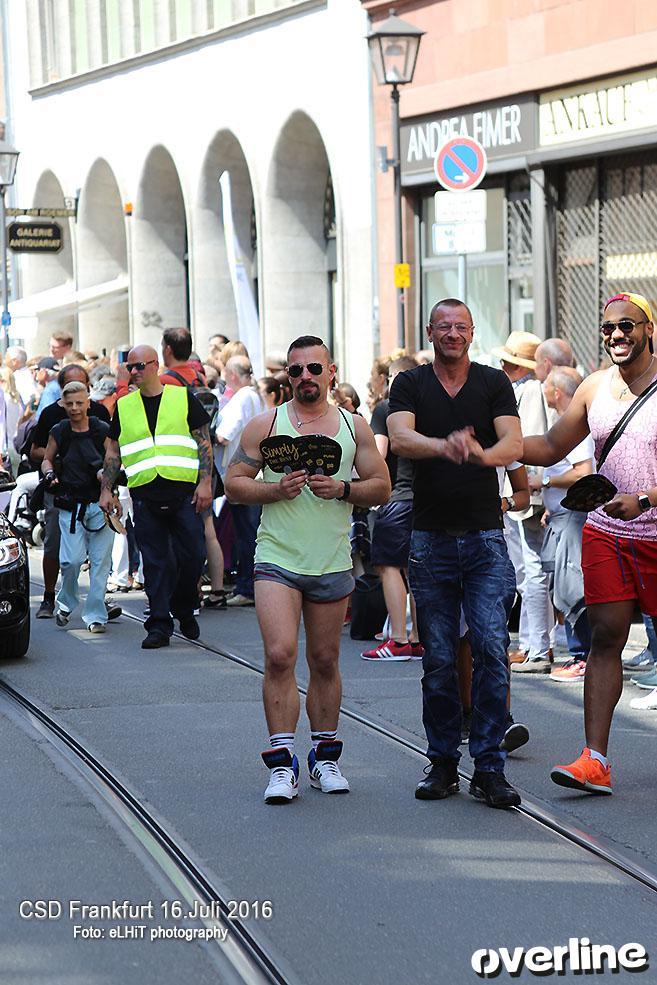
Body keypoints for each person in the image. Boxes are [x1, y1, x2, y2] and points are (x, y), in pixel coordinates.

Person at [225, 335, 390, 804]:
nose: (305, 377)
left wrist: (343, 489)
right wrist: (275, 491)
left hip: (331, 560)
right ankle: (282, 763)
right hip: (277, 557)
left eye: (314, 368)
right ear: (288, 376)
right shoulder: (266, 424)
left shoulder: (353, 426)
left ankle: (324, 756)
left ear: (330, 372)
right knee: (279, 655)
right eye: (295, 370)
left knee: (324, 660)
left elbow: (381, 486)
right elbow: (234, 483)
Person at [387, 298, 523, 810]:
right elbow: (399, 437)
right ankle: (443, 761)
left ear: (471, 333)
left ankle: (489, 766)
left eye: (460, 327)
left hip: (485, 538)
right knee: (440, 658)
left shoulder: (492, 382)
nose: (452, 334)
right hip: (431, 540)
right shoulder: (410, 383)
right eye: (443, 326)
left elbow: (513, 444)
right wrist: (445, 446)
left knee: (491, 649)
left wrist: (482, 455)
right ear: (430, 332)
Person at [522, 292, 657, 794]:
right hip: (607, 531)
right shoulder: (594, 387)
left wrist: (645, 499)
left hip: (654, 528)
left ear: (649, 329)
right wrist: (493, 446)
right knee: (605, 637)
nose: (617, 334)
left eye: (627, 325)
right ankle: (594, 760)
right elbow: (550, 446)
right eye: (608, 328)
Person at [99, 345, 213, 649]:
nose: (134, 372)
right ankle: (159, 625)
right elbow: (113, 451)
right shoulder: (125, 406)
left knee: (194, 555)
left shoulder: (182, 397)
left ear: (155, 365)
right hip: (145, 493)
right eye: (130, 367)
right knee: (154, 562)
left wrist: (205, 483)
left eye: (140, 366)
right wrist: (106, 489)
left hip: (184, 493)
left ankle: (183, 607)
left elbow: (203, 442)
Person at [493, 331, 554, 673]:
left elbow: (527, 440)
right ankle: (532, 643)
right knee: (527, 570)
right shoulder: (522, 389)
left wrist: (528, 487)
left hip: (526, 492)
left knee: (531, 570)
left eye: (509, 362)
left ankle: (537, 646)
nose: (503, 366)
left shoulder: (529, 391)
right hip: (523, 490)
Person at [31, 364, 111, 619]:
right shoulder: (55, 423)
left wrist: (108, 482)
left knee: (100, 561)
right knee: (67, 557)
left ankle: (97, 612)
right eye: (70, 401)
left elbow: (113, 456)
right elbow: (39, 453)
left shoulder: (101, 422)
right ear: (62, 399)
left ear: (88, 395)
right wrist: (52, 471)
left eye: (80, 401)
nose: (75, 407)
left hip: (99, 499)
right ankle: (56, 599)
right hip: (66, 498)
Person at [531, 367, 594, 684]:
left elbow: (583, 472)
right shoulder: (566, 423)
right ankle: (581, 654)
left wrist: (544, 482)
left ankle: (584, 656)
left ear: (557, 391)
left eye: (546, 383)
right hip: (561, 515)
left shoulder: (575, 427)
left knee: (573, 590)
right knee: (564, 587)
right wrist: (549, 504)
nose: (541, 387)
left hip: (572, 517)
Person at [361, 355, 422, 662]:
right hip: (425, 498)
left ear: (392, 380)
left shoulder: (387, 408)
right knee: (414, 569)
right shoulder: (427, 408)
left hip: (397, 496)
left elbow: (379, 452)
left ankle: (397, 639)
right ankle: (418, 638)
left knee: (388, 566)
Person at [214, 356, 265, 606]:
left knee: (246, 535)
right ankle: (252, 586)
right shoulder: (255, 396)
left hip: (240, 475)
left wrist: (209, 435)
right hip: (253, 474)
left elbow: (225, 435)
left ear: (232, 375)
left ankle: (247, 588)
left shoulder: (242, 398)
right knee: (250, 534)